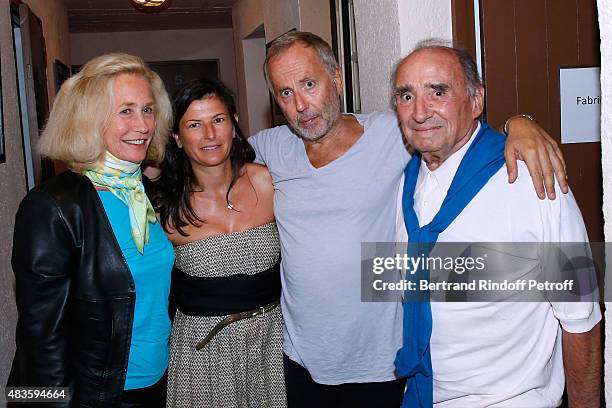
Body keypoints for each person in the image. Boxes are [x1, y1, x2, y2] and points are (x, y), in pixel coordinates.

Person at [249, 30, 570, 407]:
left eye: (308, 84)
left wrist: (519, 123)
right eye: (285, 93)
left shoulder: (394, 133)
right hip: (302, 359)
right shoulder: (271, 147)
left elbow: (456, 130)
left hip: (382, 364)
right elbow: (211, 157)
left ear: (335, 78)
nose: (301, 104)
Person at [393, 41, 602, 407]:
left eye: (437, 91)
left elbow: (581, 318)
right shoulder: (407, 181)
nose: (420, 112)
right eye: (406, 96)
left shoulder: (533, 180)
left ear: (476, 101)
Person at [8, 53, 174, 407]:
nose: (143, 125)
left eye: (148, 109)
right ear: (89, 120)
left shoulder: (139, 191)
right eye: (125, 111)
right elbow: (40, 340)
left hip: (157, 382)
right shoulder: (53, 206)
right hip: (99, 395)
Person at [148, 78, 284, 407]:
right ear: (178, 138)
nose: (209, 135)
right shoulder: (164, 210)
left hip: (271, 345)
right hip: (202, 354)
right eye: (195, 125)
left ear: (234, 124)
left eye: (218, 120)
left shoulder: (268, 182)